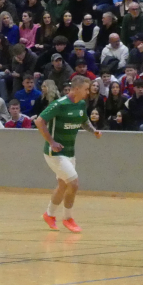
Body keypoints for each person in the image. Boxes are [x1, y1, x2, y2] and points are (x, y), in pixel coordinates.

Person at [35, 74, 100, 233]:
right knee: (74, 183)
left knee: (63, 185)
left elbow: (83, 120)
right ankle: (68, 218)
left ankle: (49, 214)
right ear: (76, 89)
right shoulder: (60, 104)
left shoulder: (81, 104)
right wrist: (52, 142)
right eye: (86, 89)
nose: (88, 92)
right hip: (55, 153)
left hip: (70, 152)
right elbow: (39, 121)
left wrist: (93, 131)